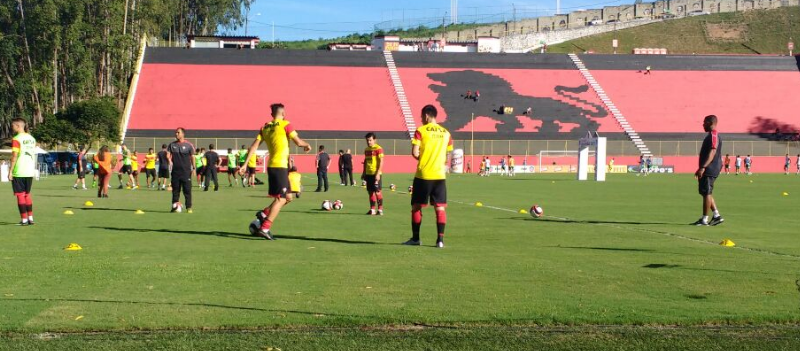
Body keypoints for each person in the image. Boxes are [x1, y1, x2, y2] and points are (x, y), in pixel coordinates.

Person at [245, 103, 312, 240]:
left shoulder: (265, 127)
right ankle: (265, 228)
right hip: (280, 166)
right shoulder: (286, 124)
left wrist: (245, 164)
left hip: (273, 166)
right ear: (284, 113)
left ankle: (264, 214)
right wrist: (307, 145)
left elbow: (253, 146)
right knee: (281, 199)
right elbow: (298, 142)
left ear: (271, 115)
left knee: (288, 197)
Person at [405, 105, 453, 248]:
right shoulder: (446, 133)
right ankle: (440, 240)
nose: (421, 119)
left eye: (421, 116)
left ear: (426, 115)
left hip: (423, 175)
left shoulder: (421, 130)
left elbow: (415, 152)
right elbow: (448, 154)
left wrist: (424, 158)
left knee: (416, 207)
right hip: (440, 176)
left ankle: (416, 239)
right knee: (440, 208)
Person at [692, 115, 724, 227]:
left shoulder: (714, 135)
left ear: (710, 123)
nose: (703, 124)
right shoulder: (710, 136)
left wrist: (703, 167)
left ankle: (704, 219)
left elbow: (712, 152)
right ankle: (716, 215)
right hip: (709, 167)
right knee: (705, 192)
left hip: (710, 168)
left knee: (706, 192)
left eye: (704, 122)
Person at [8, 118, 36, 225]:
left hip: (19, 170)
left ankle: (24, 220)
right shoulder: (32, 138)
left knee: (20, 195)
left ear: (18, 126)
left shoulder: (16, 139)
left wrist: (10, 171)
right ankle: (30, 218)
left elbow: (14, 156)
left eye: (13, 126)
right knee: (27, 194)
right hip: (29, 170)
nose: (12, 128)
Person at [167, 127, 196, 213]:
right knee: (175, 190)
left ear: (183, 134)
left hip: (186, 172)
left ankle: (189, 207)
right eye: (176, 132)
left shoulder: (189, 145)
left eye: (178, 132)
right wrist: (169, 160)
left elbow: (192, 157)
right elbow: (168, 155)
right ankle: (175, 206)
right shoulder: (172, 145)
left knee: (187, 190)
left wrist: (194, 168)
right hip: (175, 171)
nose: (176, 134)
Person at [362, 133, 385, 215]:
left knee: (377, 191)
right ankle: (372, 210)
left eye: (370, 140)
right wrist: (364, 172)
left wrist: (378, 173)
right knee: (370, 192)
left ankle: (380, 210)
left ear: (374, 140)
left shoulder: (379, 149)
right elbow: (365, 162)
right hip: (368, 174)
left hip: (375, 174)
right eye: (367, 140)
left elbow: (381, 161)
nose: (368, 142)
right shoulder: (366, 149)